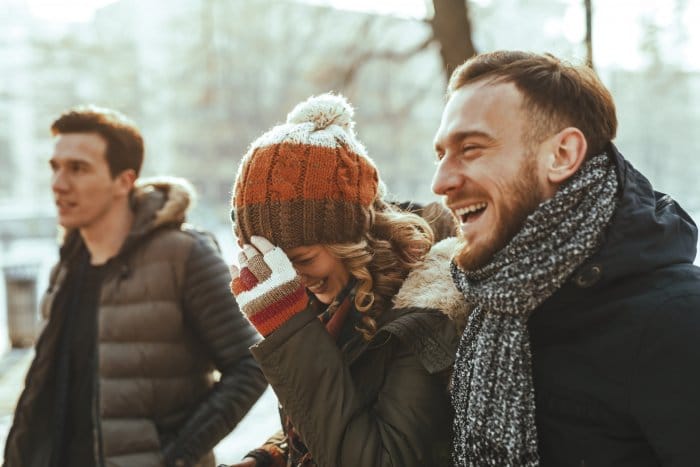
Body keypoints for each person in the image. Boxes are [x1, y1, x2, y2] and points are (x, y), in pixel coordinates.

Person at [430, 50, 700, 466]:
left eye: (471, 148)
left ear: (562, 155)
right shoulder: (492, 307)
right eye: (440, 155)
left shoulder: (677, 319)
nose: (441, 181)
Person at [3, 106, 268, 467]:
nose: (58, 183)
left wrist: (177, 455)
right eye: (55, 167)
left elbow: (252, 364)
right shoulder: (69, 263)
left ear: (124, 181)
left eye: (78, 168)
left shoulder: (183, 255)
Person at [221, 93, 461, 467]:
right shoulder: (330, 301)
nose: (292, 281)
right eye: (275, 265)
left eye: (302, 259)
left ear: (352, 238)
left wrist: (289, 332)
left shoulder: (422, 311)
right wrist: (270, 457)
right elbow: (329, 416)